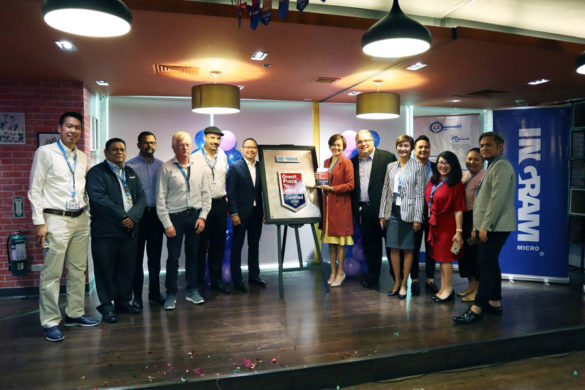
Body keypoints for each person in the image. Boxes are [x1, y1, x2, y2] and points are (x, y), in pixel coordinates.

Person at [28, 111, 99, 342]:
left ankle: (74, 313)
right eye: (69, 126)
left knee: (78, 270)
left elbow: (82, 189)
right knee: (52, 273)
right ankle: (50, 321)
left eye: (77, 127)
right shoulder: (45, 153)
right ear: (59, 128)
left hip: (80, 218)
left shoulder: (82, 156)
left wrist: (87, 214)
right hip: (55, 219)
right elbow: (35, 190)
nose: (73, 131)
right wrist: (39, 222)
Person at [453, 132, 516, 324]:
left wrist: (485, 226)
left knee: (486, 266)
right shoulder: (493, 166)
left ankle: (477, 308)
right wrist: (477, 226)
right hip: (490, 226)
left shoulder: (502, 167)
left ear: (500, 147)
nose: (483, 148)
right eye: (481, 145)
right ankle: (494, 303)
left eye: (488, 145)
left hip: (495, 226)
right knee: (491, 264)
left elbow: (496, 200)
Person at [86, 138, 146, 323]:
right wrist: (123, 217)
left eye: (122, 149)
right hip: (106, 231)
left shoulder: (130, 173)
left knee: (126, 268)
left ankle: (122, 302)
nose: (119, 152)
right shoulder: (97, 173)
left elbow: (141, 198)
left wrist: (133, 217)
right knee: (105, 269)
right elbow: (99, 199)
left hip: (129, 230)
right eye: (114, 150)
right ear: (106, 153)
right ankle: (106, 306)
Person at [156, 131, 211, 310]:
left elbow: (206, 195)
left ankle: (192, 290)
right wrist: (167, 223)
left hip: (195, 217)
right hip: (174, 218)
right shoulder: (166, 168)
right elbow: (160, 198)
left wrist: (203, 217)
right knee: (173, 258)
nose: (185, 148)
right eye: (181, 145)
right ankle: (171, 294)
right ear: (174, 148)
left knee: (193, 256)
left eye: (187, 144)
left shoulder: (199, 167)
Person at [379, 135, 425, 299]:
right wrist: (381, 214)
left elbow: (420, 195)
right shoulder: (391, 166)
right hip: (392, 212)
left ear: (411, 148)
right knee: (393, 248)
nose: (402, 149)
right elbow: (385, 190)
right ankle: (397, 282)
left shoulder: (418, 167)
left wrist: (418, 217)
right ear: (396, 147)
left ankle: (405, 283)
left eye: (406, 146)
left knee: (407, 248)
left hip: (410, 213)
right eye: (400, 145)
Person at [351, 130, 396, 290]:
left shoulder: (387, 157)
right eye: (360, 141)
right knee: (371, 247)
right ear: (356, 144)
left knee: (392, 246)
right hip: (365, 210)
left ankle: (397, 280)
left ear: (373, 141)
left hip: (386, 211)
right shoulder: (352, 161)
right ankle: (373, 278)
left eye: (366, 140)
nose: (363, 144)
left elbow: (395, 184)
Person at [126, 131, 166, 308]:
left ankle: (155, 293)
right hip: (137, 217)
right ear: (138, 145)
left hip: (156, 216)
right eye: (146, 143)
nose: (149, 146)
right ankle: (136, 297)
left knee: (155, 258)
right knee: (136, 259)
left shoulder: (162, 166)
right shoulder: (129, 166)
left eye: (152, 143)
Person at [192, 126, 231, 294]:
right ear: (205, 138)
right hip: (201, 207)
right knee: (200, 246)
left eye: (218, 139)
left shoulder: (222, 155)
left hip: (220, 204)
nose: (215, 142)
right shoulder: (195, 157)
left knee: (218, 245)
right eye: (212, 138)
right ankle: (198, 283)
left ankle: (216, 281)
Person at [425, 151, 465, 303]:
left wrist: (459, 232)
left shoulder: (456, 184)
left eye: (447, 163)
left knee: (446, 259)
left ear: (453, 165)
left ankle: (448, 290)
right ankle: (443, 288)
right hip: (435, 224)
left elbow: (459, 209)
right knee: (440, 259)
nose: (443, 166)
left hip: (448, 226)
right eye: (441, 162)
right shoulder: (433, 180)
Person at [226, 138, 266, 292]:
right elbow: (231, 193)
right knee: (237, 247)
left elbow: (265, 192)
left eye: (254, 147)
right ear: (242, 150)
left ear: (257, 150)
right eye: (248, 147)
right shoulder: (235, 167)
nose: (251, 150)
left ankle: (254, 276)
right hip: (240, 214)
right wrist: (234, 213)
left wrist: (265, 212)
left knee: (254, 246)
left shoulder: (261, 167)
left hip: (257, 213)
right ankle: (237, 280)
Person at [316, 134, 355, 287]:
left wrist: (332, 188)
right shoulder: (326, 162)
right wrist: (317, 179)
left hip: (341, 208)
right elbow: (324, 182)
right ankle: (332, 272)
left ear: (343, 147)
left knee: (340, 244)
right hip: (328, 206)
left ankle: (340, 272)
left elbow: (351, 185)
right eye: (333, 145)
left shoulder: (347, 163)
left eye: (339, 145)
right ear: (330, 146)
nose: (336, 148)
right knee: (330, 243)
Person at [411, 135, 438, 295]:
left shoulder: (437, 168)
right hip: (414, 215)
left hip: (432, 214)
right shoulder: (407, 167)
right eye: (420, 147)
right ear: (414, 150)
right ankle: (414, 279)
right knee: (413, 248)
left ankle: (430, 279)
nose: (423, 150)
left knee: (431, 248)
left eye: (426, 147)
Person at [457, 148, 485, 302]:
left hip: (475, 219)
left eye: (476, 159)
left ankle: (478, 291)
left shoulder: (484, 176)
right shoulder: (465, 174)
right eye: (469, 159)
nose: (471, 162)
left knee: (475, 257)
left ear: (482, 162)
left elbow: (482, 205)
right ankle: (471, 286)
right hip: (464, 219)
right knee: (465, 256)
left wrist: (476, 227)